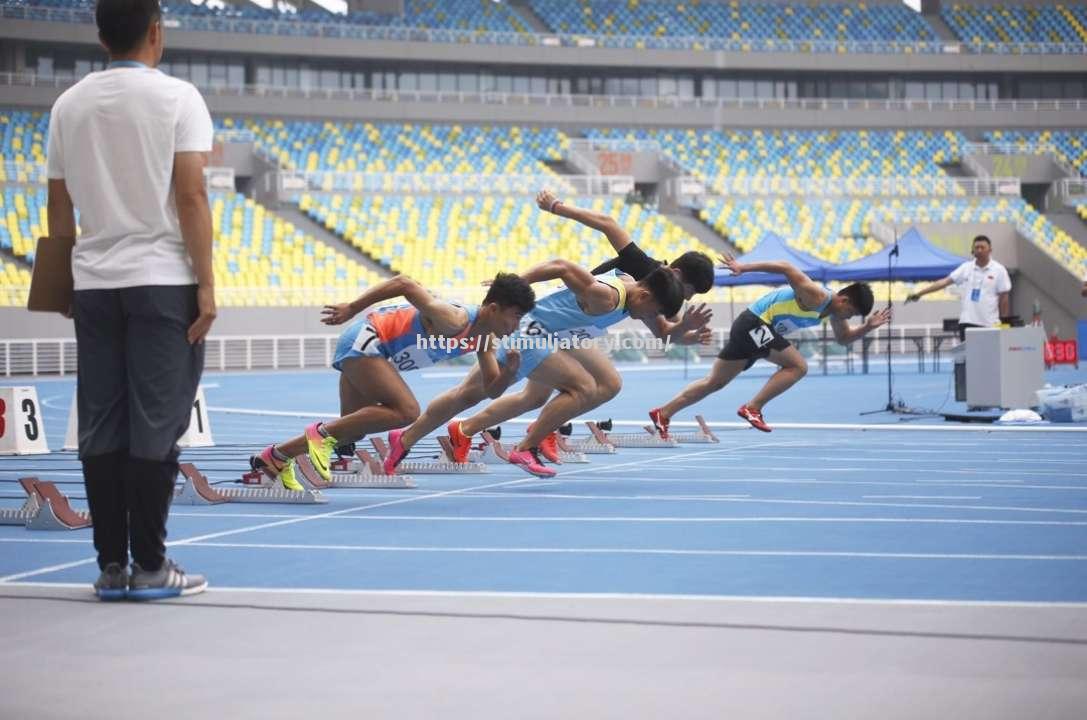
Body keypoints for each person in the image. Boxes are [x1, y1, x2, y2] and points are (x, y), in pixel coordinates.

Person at [46, 0, 216, 600]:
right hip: (161, 280)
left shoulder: (68, 105)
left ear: (100, 37)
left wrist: (62, 284)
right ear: (156, 31)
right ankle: (151, 565)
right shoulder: (178, 99)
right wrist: (208, 285)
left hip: (94, 282)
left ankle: (111, 567)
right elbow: (191, 196)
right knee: (155, 424)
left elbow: (60, 206)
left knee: (101, 423)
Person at [249, 273, 535, 488]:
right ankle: (318, 435)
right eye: (515, 316)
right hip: (367, 340)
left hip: (376, 354)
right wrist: (352, 306)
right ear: (494, 309)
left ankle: (276, 456)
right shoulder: (456, 319)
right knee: (407, 411)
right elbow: (404, 283)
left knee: (350, 432)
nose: (517, 325)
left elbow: (492, 390)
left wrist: (509, 373)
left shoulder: (485, 339)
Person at [649, 256, 890, 435]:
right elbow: (785, 267)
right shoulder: (816, 295)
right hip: (754, 322)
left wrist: (868, 327)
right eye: (851, 312)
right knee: (798, 366)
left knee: (714, 382)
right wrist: (743, 268)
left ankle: (664, 413)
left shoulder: (834, 313)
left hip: (756, 330)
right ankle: (753, 407)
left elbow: (843, 339)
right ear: (844, 299)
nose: (849, 318)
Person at [906, 235, 1011, 340]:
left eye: (982, 247)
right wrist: (919, 293)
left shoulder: (999, 270)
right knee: (969, 356)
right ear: (972, 250)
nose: (979, 250)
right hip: (967, 322)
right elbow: (944, 282)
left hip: (990, 324)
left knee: (990, 356)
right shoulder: (966, 267)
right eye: (976, 247)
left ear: (990, 250)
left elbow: (1004, 297)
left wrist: (1005, 322)